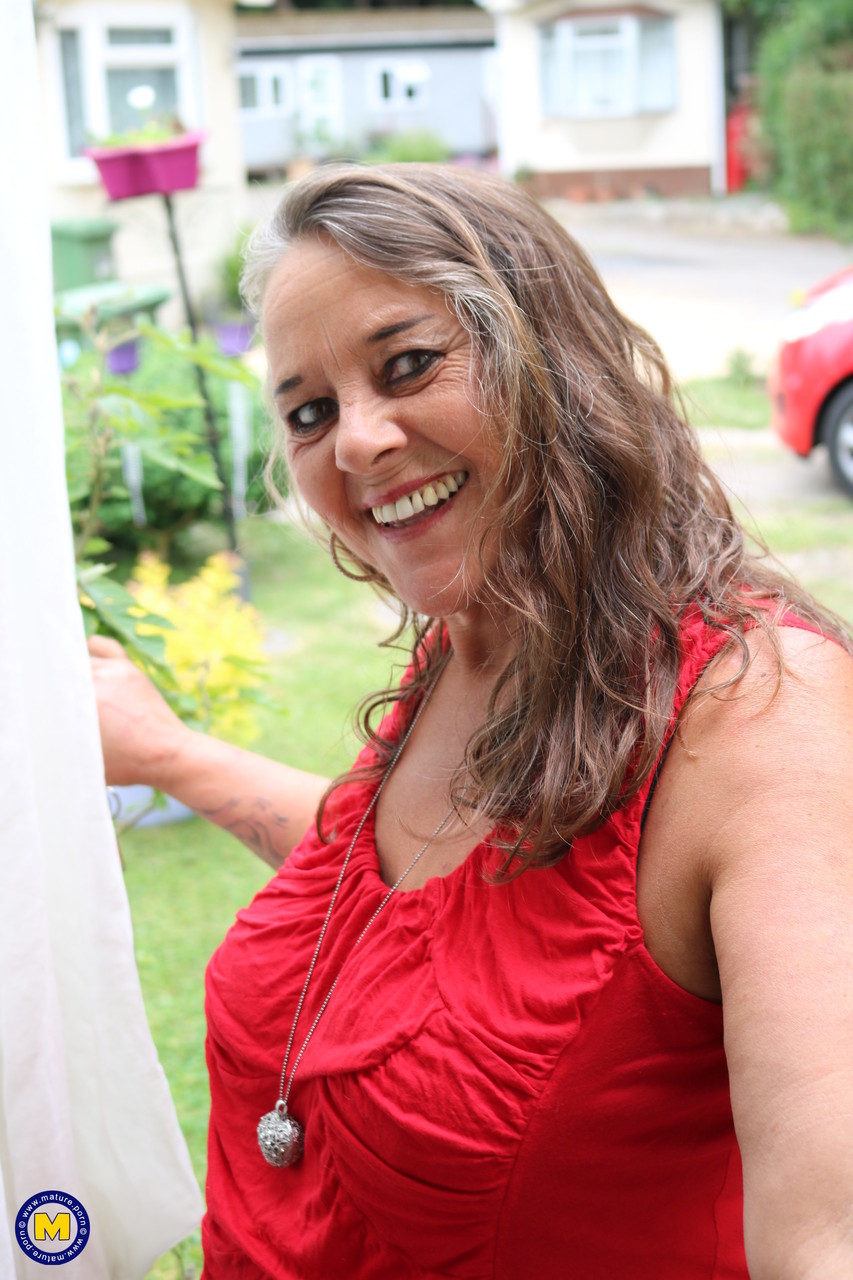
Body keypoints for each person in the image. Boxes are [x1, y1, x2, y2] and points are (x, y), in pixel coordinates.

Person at [88, 164, 853, 1279]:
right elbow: (416, 905)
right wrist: (171, 754)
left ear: (552, 358)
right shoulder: (475, 641)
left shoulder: (756, 710)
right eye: (308, 412)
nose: (355, 441)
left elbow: (826, 1235)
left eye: (406, 364)